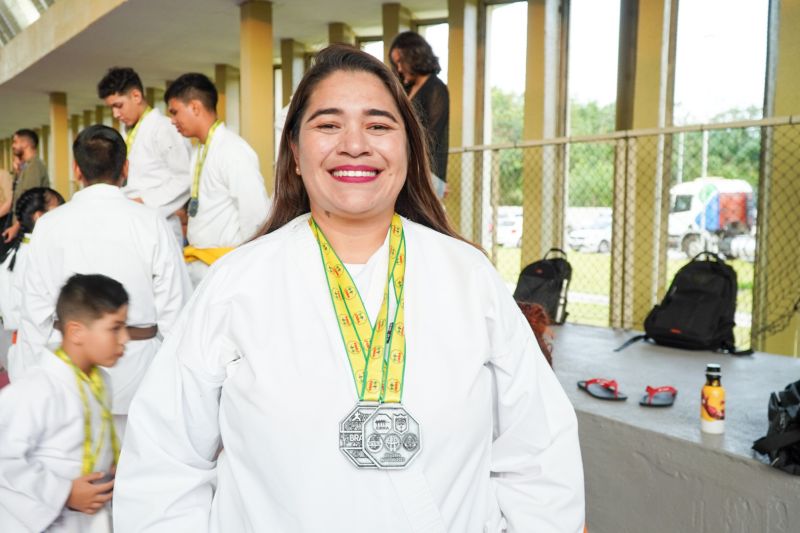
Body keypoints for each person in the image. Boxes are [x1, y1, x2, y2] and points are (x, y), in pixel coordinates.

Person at [114, 45, 584, 532]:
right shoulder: (237, 283)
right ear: (295, 153)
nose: (355, 144)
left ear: (408, 148)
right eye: (328, 125)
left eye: (379, 125)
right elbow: (164, 464)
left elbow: (540, 453)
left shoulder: (469, 276)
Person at [17, 125, 191, 437]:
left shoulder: (50, 226)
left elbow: (34, 316)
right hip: (139, 371)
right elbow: (176, 315)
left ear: (76, 169)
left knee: (80, 473)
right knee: (136, 473)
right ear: (126, 168)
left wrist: (34, 381)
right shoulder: (151, 222)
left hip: (72, 370)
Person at [0, 273, 128, 532]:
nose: (125, 338)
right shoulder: (36, 390)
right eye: (115, 328)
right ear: (76, 332)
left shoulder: (99, 381)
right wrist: (64, 493)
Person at [164, 73, 271, 286]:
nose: (172, 121)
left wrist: (249, 265)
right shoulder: (200, 151)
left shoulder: (233, 150)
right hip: (201, 263)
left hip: (227, 267)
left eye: (175, 112)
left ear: (195, 107)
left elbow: (256, 214)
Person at [98, 67, 192, 245]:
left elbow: (184, 178)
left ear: (136, 96)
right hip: (133, 219)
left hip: (158, 224)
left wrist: (143, 202)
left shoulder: (164, 128)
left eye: (118, 105)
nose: (115, 114)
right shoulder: (130, 132)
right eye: (111, 108)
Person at [0, 187, 65, 379]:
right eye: (58, 208)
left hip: (18, 342)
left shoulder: (17, 252)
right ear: (39, 217)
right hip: (36, 345)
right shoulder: (37, 256)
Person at [389, 31, 450, 199]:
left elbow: (431, 136)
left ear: (415, 56)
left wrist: (433, 180)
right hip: (404, 168)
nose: (399, 69)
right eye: (396, 64)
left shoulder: (436, 89)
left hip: (425, 172)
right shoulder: (406, 89)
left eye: (401, 62)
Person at [4, 129, 50, 242]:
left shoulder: (34, 166)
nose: (13, 146)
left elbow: (29, 201)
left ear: (25, 144)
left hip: (27, 229)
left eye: (15, 142)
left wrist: (15, 227)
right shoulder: (26, 167)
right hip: (22, 227)